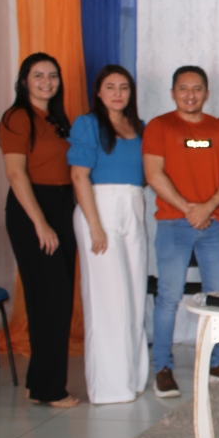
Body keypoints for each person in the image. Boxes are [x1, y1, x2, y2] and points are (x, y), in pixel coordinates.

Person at [143, 65, 219, 397]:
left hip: (213, 225)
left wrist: (207, 207)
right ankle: (162, 368)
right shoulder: (159, 126)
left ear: (207, 93)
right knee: (169, 297)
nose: (191, 95)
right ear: (173, 93)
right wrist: (189, 208)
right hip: (174, 223)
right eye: (184, 88)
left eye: (197, 88)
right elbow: (154, 174)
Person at [0, 53, 79, 408]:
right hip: (33, 208)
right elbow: (16, 174)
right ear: (24, 81)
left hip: (62, 206)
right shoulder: (17, 117)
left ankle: (39, 383)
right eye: (38, 75)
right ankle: (49, 389)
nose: (47, 81)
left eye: (52, 75)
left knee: (57, 299)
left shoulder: (58, 119)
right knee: (50, 300)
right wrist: (40, 223)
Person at [68, 65, 149, 404]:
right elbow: (78, 176)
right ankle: (110, 388)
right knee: (108, 301)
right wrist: (95, 226)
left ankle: (133, 378)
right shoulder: (88, 124)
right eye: (110, 87)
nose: (118, 93)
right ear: (99, 92)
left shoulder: (139, 127)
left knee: (134, 296)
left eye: (124, 87)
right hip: (99, 209)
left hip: (133, 207)